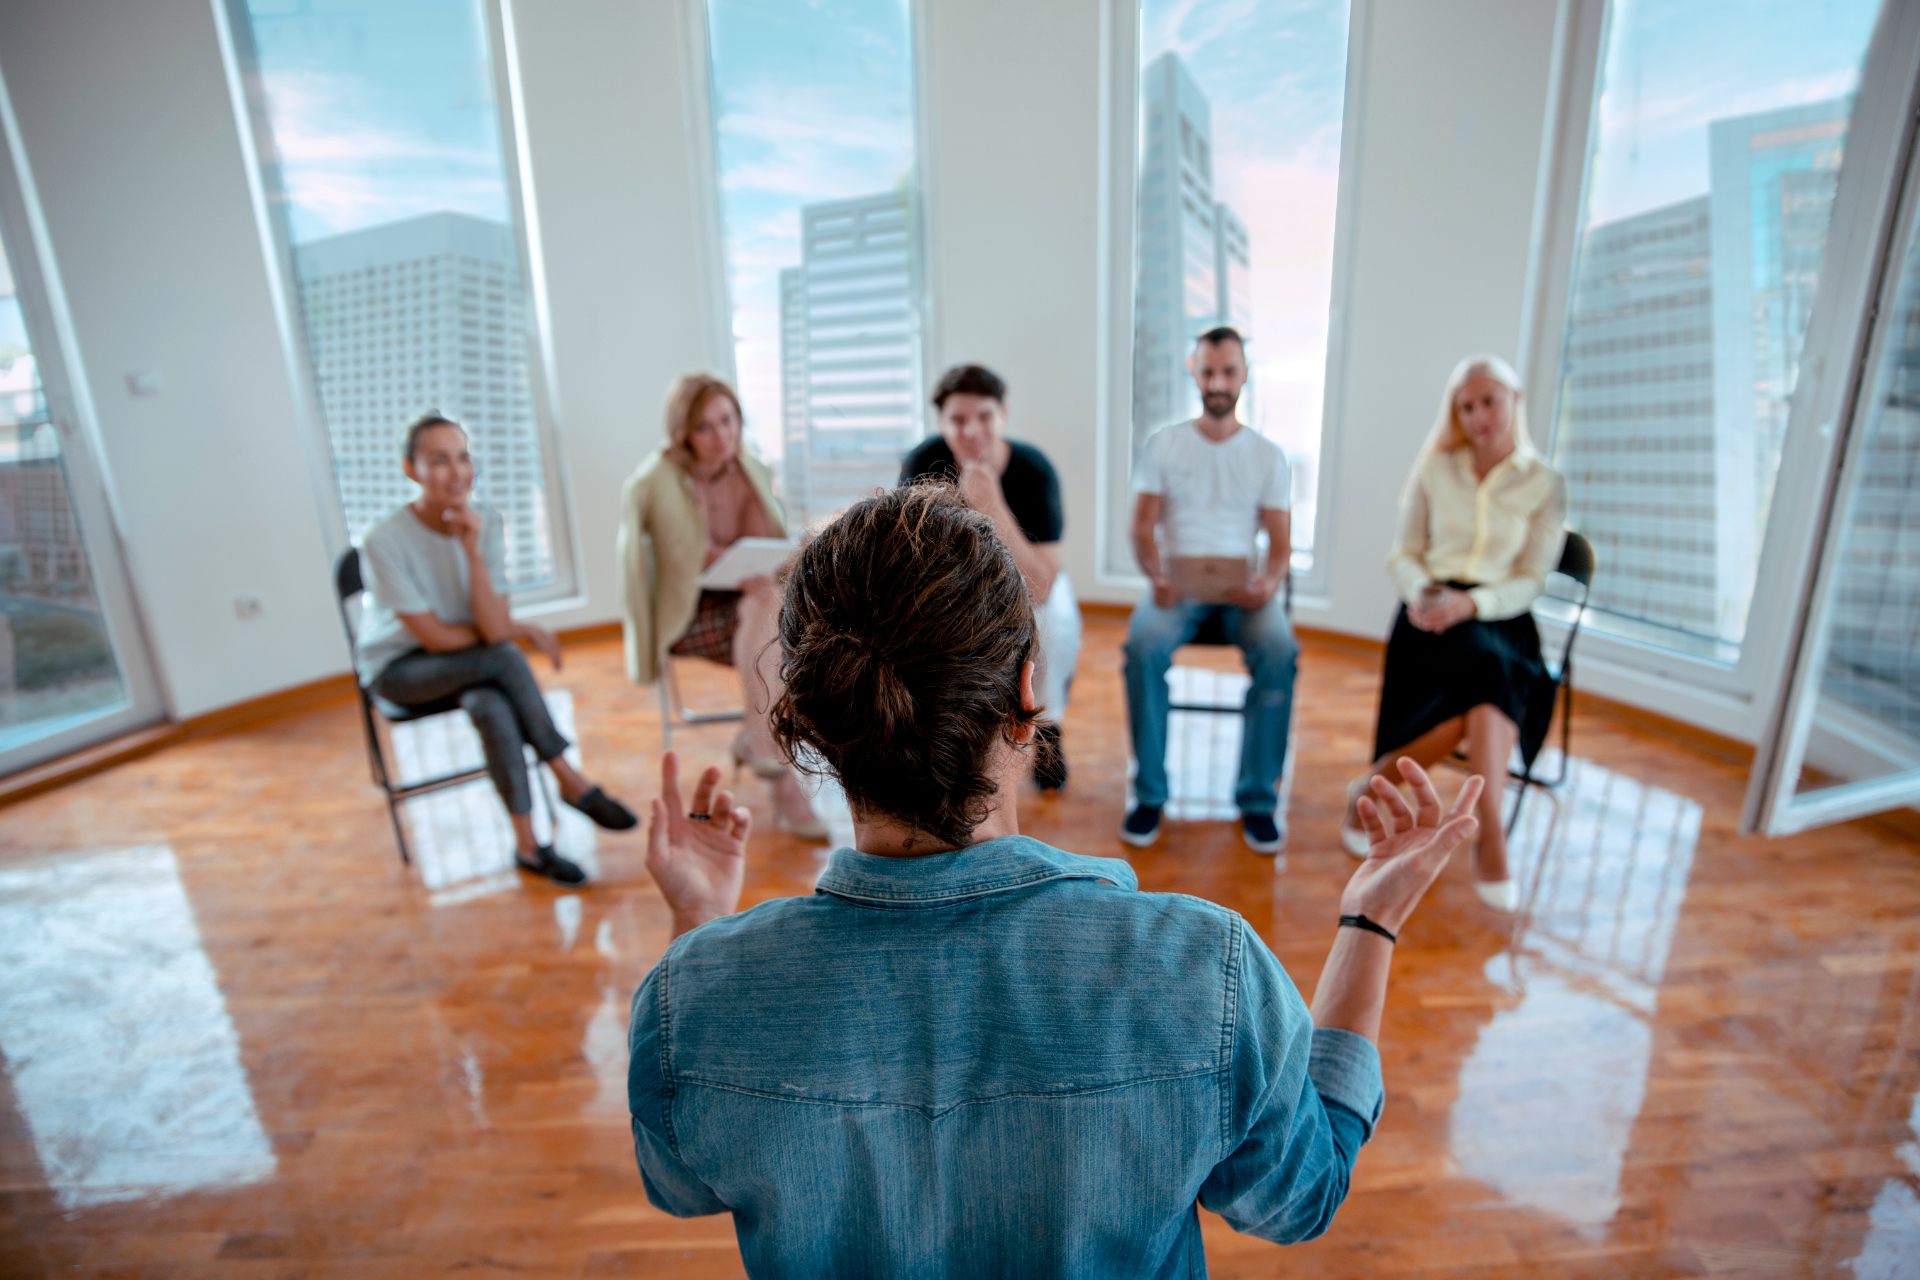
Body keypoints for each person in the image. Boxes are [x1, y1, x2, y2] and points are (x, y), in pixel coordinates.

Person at [626, 484, 1483, 1277]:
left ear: (809, 722)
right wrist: (1370, 923)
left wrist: (699, 932)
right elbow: (1304, 1195)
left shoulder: (692, 995)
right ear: (1027, 693)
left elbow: (682, 1182)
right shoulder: (1207, 972)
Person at [356, 413, 637, 886]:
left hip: (469, 665)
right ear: (411, 470)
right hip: (399, 669)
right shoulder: (383, 540)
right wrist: (518, 630)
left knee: (491, 702)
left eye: (462, 457)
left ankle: (529, 846)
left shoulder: (485, 522)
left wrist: (472, 552)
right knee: (504, 658)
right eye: (438, 460)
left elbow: (489, 627)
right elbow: (436, 638)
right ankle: (569, 777)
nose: (457, 471)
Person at [1340, 354, 1568, 912]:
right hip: (1430, 612)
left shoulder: (1545, 482)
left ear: (1514, 401)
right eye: (1466, 407)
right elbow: (1405, 554)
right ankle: (1489, 834)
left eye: (1489, 400)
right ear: (1456, 416)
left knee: (1491, 666)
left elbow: (1531, 579)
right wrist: (1422, 592)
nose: (1479, 415)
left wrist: (1475, 604)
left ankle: (1377, 786)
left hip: (1501, 616)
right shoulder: (1435, 468)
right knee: (1487, 680)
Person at [617, 373, 826, 841]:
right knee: (775, 625)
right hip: (687, 611)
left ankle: (756, 739)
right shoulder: (653, 481)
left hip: (747, 602)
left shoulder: (748, 468)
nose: (722, 436)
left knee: (769, 605)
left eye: (728, 420)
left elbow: (766, 543)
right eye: (705, 427)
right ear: (683, 432)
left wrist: (765, 563)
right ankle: (772, 760)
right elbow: (670, 560)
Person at [1122, 326, 1298, 854]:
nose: (1218, 382)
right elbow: (1140, 528)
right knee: (1141, 647)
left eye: (1228, 371)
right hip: (1179, 591)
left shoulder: (1267, 455)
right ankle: (1151, 794)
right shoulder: (1165, 445)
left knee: (1280, 649)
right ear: (1193, 372)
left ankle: (1258, 800)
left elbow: (1281, 543)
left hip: (1243, 593)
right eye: (1209, 371)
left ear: (1244, 375)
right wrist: (1157, 576)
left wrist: (1268, 581)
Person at [899, 363, 1081, 790]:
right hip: (955, 582)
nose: (971, 432)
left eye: (984, 417)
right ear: (941, 422)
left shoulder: (1033, 470)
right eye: (957, 421)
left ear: (1003, 415)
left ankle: (1048, 726)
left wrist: (992, 505)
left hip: (1027, 579)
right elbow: (912, 556)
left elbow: (1043, 583)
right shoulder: (923, 462)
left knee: (1052, 627)